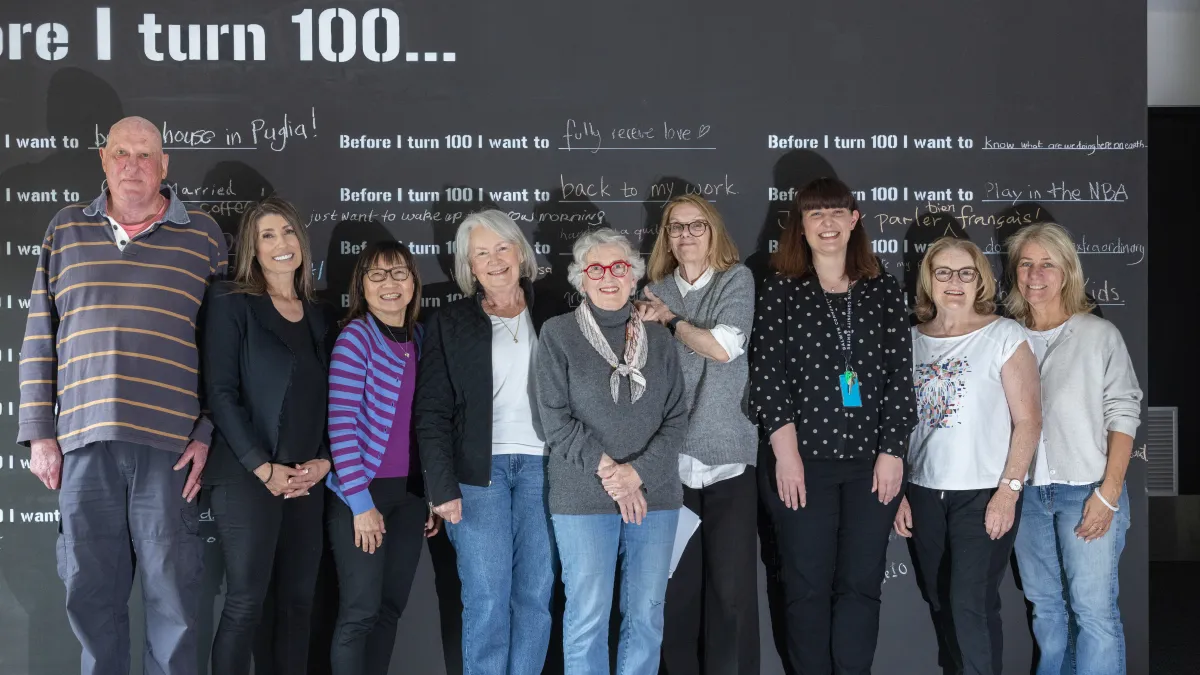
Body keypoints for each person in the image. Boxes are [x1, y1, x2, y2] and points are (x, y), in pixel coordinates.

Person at [17, 116, 227, 675]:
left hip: (170, 447)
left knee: (175, 602)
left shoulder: (204, 236)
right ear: (103, 160)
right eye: (121, 153)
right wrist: (40, 433)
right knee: (90, 595)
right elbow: (40, 336)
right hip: (83, 444)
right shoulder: (64, 229)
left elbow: (224, 350)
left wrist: (206, 433)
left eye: (146, 154)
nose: (133, 165)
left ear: (165, 165)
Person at [750, 177, 915, 675]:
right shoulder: (780, 287)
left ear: (854, 220)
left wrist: (892, 454)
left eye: (835, 212)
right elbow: (766, 374)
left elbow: (898, 378)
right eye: (815, 213)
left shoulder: (882, 289)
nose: (826, 223)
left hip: (871, 465)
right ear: (801, 225)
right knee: (805, 587)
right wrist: (787, 456)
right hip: (802, 464)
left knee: (861, 585)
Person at [536, 228, 687, 675]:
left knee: (646, 618)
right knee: (587, 618)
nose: (608, 278)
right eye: (596, 269)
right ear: (581, 279)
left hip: (655, 496)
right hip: (582, 497)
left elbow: (676, 418)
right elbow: (556, 421)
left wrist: (636, 476)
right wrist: (615, 478)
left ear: (634, 276)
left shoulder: (659, 339)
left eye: (619, 268)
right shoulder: (557, 334)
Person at [414, 210, 558, 674]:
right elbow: (431, 410)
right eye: (482, 253)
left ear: (520, 252)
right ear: (469, 266)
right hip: (478, 476)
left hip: (546, 470)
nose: (495, 260)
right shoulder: (450, 321)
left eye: (502, 247)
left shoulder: (556, 310)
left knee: (535, 596)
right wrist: (440, 486)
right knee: (488, 596)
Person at [892, 237, 1042, 675]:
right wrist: (901, 493)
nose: (954, 282)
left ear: (980, 280)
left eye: (965, 273)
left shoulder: (1004, 334)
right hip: (924, 493)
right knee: (940, 601)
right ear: (928, 280)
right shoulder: (911, 339)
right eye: (943, 273)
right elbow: (900, 426)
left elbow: (1029, 420)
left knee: (970, 604)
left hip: (982, 494)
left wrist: (1008, 492)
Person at [202, 197, 332, 675]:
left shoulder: (319, 314)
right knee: (245, 604)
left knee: (299, 603)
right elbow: (220, 392)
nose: (282, 244)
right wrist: (263, 467)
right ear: (252, 249)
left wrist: (324, 460)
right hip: (246, 476)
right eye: (268, 236)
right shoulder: (230, 300)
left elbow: (331, 399)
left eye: (289, 232)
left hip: (306, 479)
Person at [1005, 223, 1142, 675]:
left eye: (1047, 264)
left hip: (1087, 492)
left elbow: (1124, 413)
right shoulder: (1003, 336)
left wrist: (1108, 494)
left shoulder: (1098, 335)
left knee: (1094, 613)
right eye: (1026, 263)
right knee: (1046, 610)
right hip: (1025, 497)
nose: (1035, 274)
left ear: (1067, 272)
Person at [636, 194, 759, 675]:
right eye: (676, 227)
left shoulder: (736, 280)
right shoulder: (654, 288)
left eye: (696, 226)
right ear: (666, 236)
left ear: (714, 232)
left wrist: (668, 319)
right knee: (674, 598)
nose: (686, 235)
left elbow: (723, 348)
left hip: (727, 461)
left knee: (732, 599)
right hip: (670, 468)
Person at [325, 241, 442, 674]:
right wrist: (360, 505)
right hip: (364, 496)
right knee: (359, 612)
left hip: (410, 498)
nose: (389, 284)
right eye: (376, 275)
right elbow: (340, 426)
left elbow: (425, 424)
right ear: (362, 286)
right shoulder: (357, 337)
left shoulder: (422, 338)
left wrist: (430, 494)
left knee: (390, 608)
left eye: (398, 273)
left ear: (414, 283)